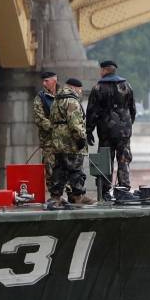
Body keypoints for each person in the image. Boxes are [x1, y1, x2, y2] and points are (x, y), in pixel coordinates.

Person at [86, 59, 138, 201]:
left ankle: (104, 192)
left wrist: (88, 130)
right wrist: (127, 125)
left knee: (105, 160)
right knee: (123, 159)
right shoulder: (126, 85)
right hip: (124, 132)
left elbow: (92, 111)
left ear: (104, 70)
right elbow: (133, 109)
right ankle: (123, 191)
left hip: (106, 131)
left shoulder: (98, 88)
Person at [45, 78, 90, 208]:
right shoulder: (72, 101)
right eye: (80, 89)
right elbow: (75, 123)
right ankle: (77, 197)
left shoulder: (56, 100)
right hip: (71, 142)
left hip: (58, 142)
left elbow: (52, 120)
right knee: (75, 169)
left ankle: (55, 197)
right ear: (74, 87)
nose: (80, 92)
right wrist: (81, 139)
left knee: (59, 170)